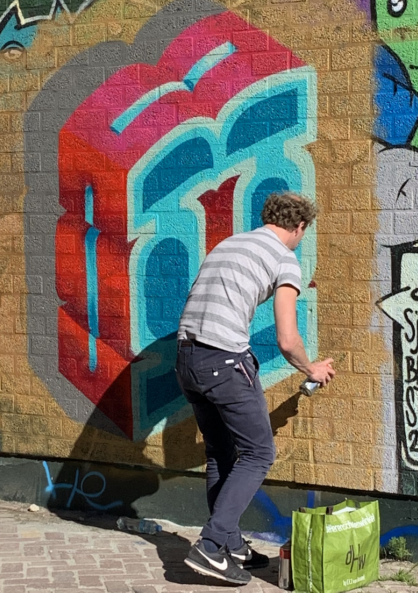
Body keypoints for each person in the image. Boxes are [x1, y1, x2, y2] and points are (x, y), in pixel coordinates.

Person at [175, 192, 336, 585]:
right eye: (304, 232)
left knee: (220, 452)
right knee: (259, 452)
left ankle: (229, 542)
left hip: (186, 357)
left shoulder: (229, 243)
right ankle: (211, 546)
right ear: (299, 227)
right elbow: (286, 338)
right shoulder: (284, 258)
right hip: (223, 360)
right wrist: (310, 367)